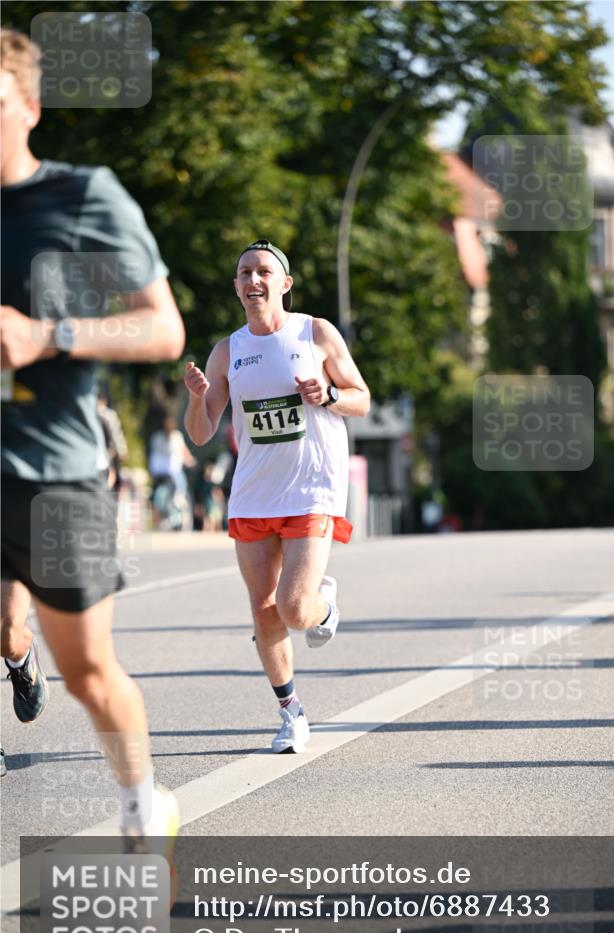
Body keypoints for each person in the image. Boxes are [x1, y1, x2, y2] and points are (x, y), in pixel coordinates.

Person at [0, 29, 184, 846]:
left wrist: (51, 337)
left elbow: (162, 329)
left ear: (29, 107)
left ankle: (145, 799)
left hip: (52, 473)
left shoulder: (80, 196)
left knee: (88, 674)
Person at [184, 239, 370, 752]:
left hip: (312, 488)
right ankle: (291, 712)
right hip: (252, 495)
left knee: (293, 608)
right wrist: (198, 399)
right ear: (237, 285)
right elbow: (201, 432)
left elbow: (362, 398)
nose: (253, 280)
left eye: (264, 271)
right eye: (244, 272)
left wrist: (329, 395)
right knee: (263, 608)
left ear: (284, 284)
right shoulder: (228, 350)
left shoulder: (315, 333)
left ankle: (322, 607)